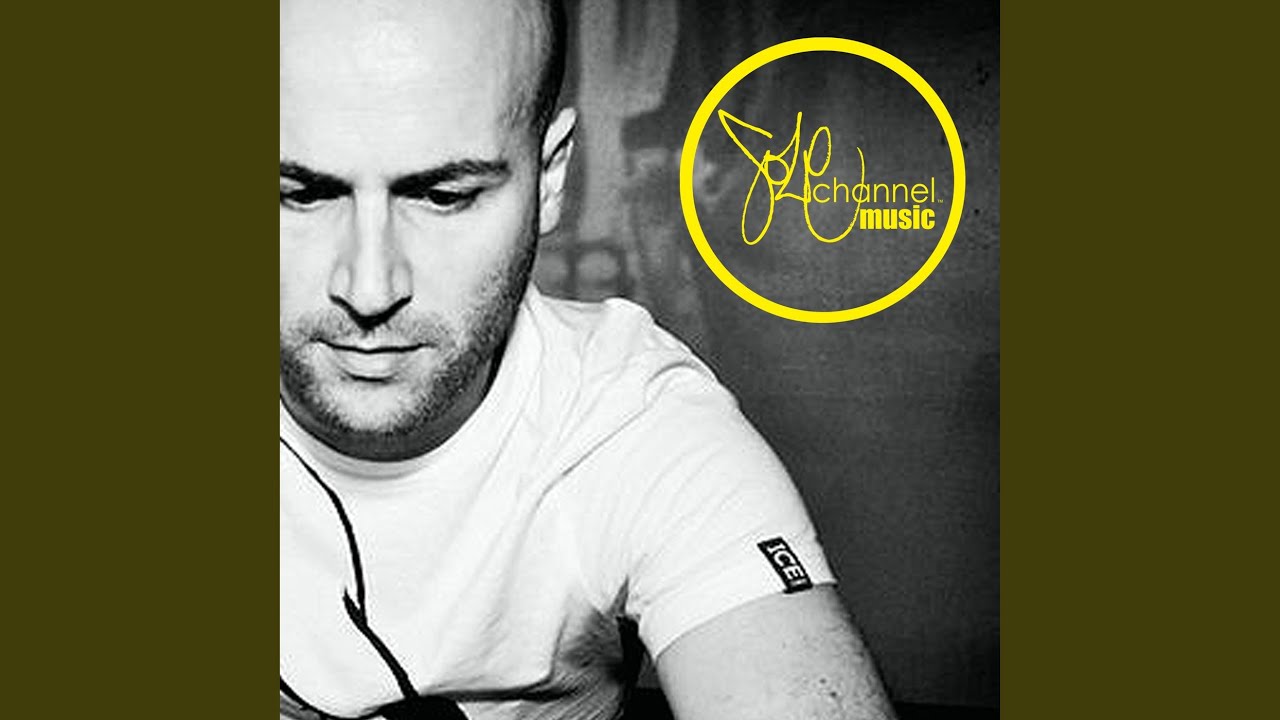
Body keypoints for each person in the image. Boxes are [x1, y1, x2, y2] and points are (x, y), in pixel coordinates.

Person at [279, 1, 897, 718]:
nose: (369, 287)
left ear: (549, 177)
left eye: (444, 197)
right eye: (298, 196)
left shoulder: (632, 426)